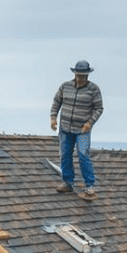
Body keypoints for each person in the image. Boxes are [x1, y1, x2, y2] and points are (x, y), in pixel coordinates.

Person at [50, 59, 103, 199]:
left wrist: (90, 122)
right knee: (65, 154)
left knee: (83, 154)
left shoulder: (94, 89)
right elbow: (57, 102)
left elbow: (99, 108)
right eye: (79, 75)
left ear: (87, 75)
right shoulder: (65, 86)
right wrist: (53, 117)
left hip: (83, 130)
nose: (81, 78)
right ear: (75, 74)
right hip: (65, 127)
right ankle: (67, 182)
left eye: (83, 75)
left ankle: (90, 186)